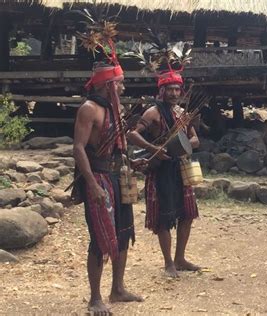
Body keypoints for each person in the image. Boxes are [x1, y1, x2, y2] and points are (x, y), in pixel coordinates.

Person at [73, 61, 144, 314]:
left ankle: (118, 289)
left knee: (123, 233)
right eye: (120, 82)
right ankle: (95, 298)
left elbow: (118, 146)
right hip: (100, 177)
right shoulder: (89, 109)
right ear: (108, 85)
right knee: (100, 239)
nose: (123, 87)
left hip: (117, 175)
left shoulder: (116, 109)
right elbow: (79, 147)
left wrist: (132, 161)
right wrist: (91, 184)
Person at [127, 70, 200, 278]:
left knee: (187, 215)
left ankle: (180, 258)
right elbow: (132, 133)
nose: (174, 93)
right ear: (162, 90)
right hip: (160, 170)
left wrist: (185, 145)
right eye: (170, 89)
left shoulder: (181, 114)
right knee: (163, 218)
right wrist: (153, 149)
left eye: (177, 89)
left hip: (180, 167)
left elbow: (195, 140)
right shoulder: (153, 113)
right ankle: (168, 263)